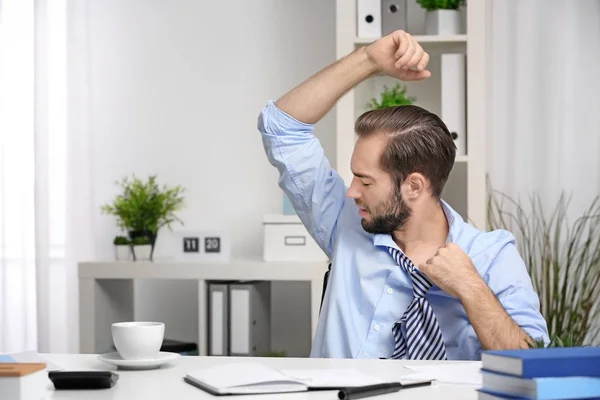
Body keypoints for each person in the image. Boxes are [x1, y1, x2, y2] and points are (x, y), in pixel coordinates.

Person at [256, 30, 549, 360]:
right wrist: (368, 60)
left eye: (366, 182)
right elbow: (280, 126)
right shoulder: (344, 223)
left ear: (414, 186)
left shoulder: (492, 255)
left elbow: (534, 364)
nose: (351, 191)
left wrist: (470, 287)